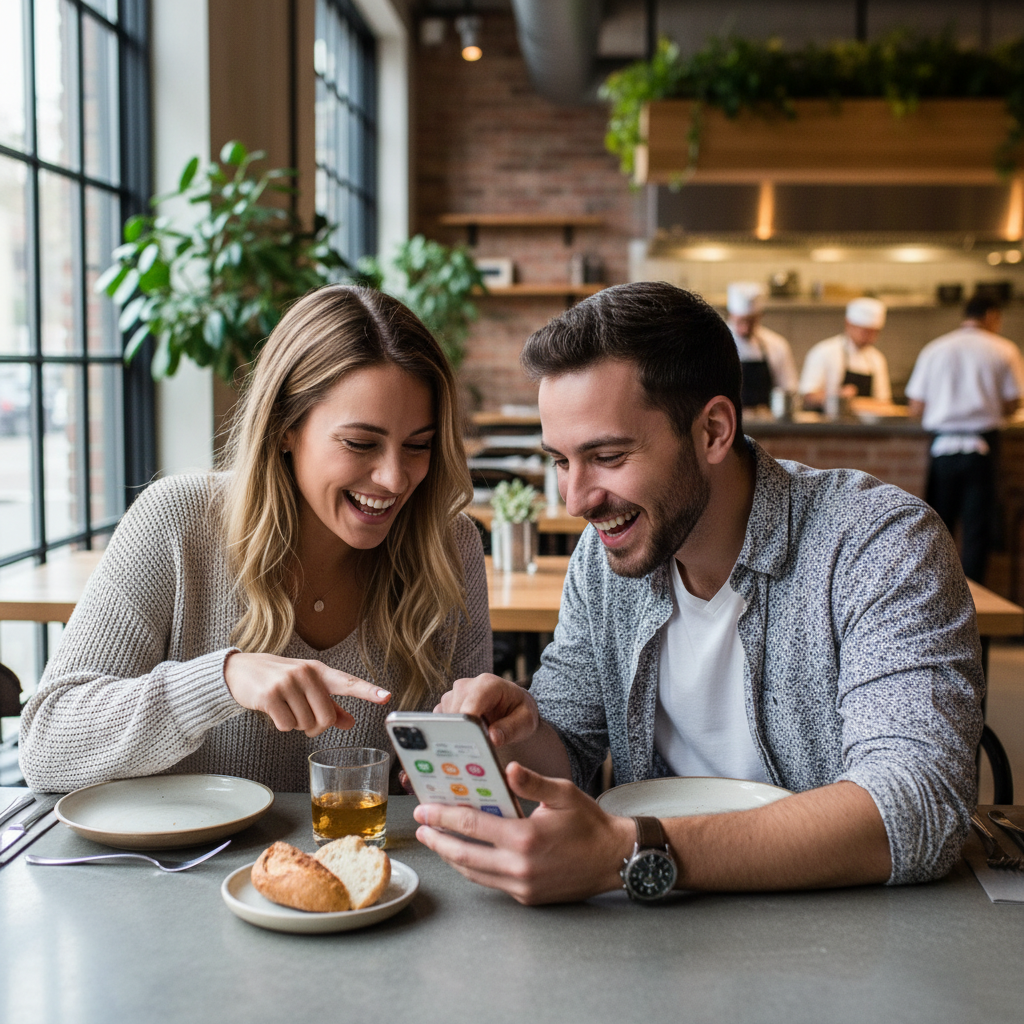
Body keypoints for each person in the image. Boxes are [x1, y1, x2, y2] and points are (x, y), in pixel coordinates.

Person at [414, 281, 982, 905]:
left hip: (839, 931)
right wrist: (518, 732)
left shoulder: (877, 545)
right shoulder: (604, 560)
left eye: (606, 455)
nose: (576, 500)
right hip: (659, 933)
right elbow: (567, 749)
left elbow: (918, 804)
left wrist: (631, 851)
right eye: (560, 460)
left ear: (713, 430)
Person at [18, 285, 492, 793]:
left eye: (418, 446)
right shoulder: (178, 521)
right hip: (177, 871)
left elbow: (460, 780)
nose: (396, 479)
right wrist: (221, 680)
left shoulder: (449, 546)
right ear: (286, 426)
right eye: (360, 443)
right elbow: (47, 744)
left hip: (373, 868)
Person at [905, 294, 1024, 583]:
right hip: (983, 446)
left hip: (942, 446)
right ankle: (975, 603)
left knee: (937, 527)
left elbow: (915, 407)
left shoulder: (935, 348)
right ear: (992, 316)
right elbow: (1013, 402)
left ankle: (937, 596)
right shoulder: (1003, 349)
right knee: (977, 530)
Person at [799, 297, 891, 409]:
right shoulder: (824, 352)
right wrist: (838, 397)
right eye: (865, 332)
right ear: (848, 324)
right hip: (827, 424)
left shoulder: (877, 359)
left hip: (864, 426)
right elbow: (808, 397)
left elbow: (884, 402)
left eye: (874, 332)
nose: (870, 338)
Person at [725, 282, 798, 408]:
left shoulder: (776, 345)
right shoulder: (714, 343)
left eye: (751, 322)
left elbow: (790, 389)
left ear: (760, 316)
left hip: (765, 422)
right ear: (731, 315)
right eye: (740, 321)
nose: (745, 328)